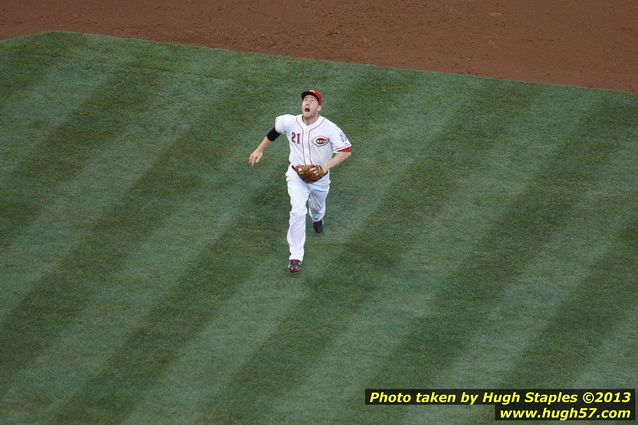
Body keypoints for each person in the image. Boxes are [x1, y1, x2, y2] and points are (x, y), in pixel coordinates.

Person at [249, 89, 352, 273]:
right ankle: (296, 255)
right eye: (305, 100)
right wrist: (259, 150)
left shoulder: (329, 128)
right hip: (296, 176)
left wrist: (324, 168)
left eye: (312, 101)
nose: (307, 103)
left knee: (316, 208)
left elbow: (345, 151)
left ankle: (318, 218)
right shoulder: (290, 121)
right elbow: (274, 132)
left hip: (320, 178)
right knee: (297, 211)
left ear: (319, 107)